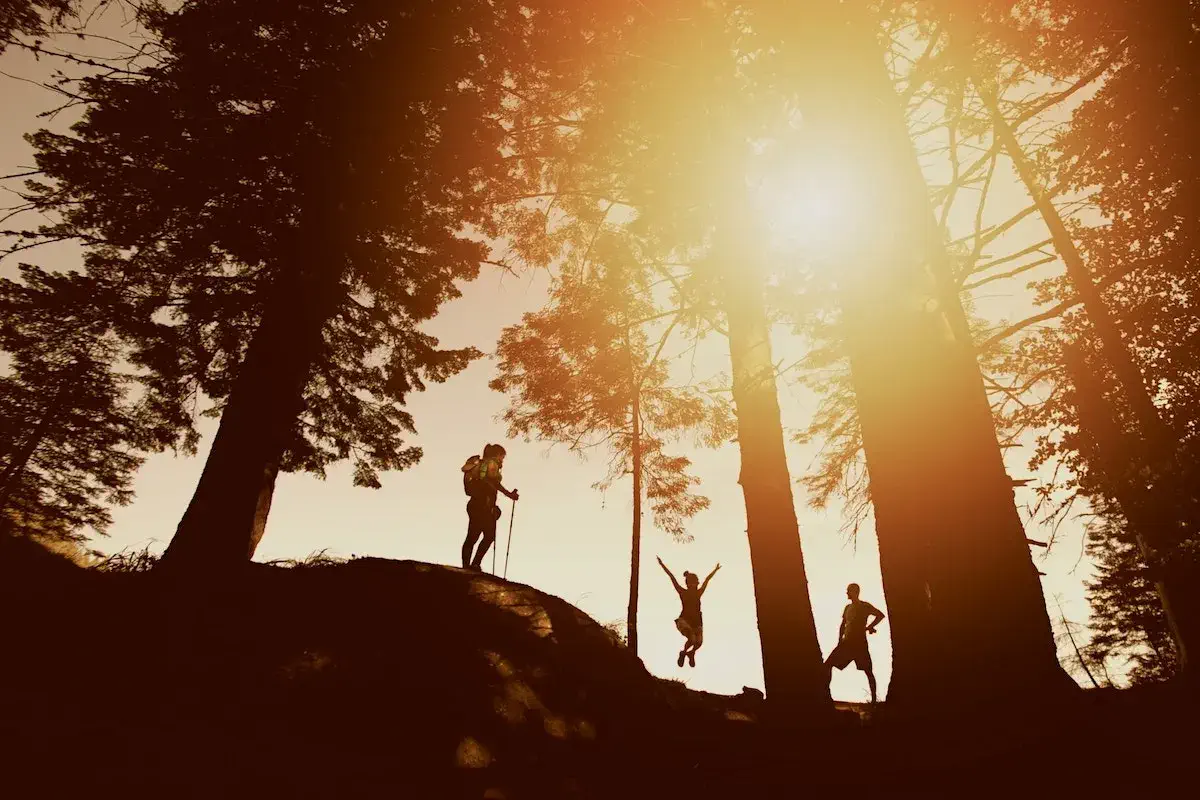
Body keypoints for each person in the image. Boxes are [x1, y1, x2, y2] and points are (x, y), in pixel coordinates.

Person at [461, 443, 519, 571]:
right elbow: (494, 483)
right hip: (483, 505)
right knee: (487, 536)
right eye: (502, 456)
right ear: (497, 455)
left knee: (473, 536)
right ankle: (474, 565)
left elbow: (491, 484)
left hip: (476, 504)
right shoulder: (492, 463)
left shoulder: (483, 465)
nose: (502, 460)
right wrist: (509, 494)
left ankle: (467, 566)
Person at [824, 582, 885, 703]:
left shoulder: (865, 606)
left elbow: (880, 615)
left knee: (868, 671)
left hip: (860, 644)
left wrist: (869, 627)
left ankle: (873, 700)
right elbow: (843, 625)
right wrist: (839, 641)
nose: (846, 593)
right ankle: (826, 694)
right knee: (828, 665)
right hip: (846, 643)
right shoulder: (847, 608)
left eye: (848, 591)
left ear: (855, 592)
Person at [657, 556, 720, 668]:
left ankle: (690, 653)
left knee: (699, 642)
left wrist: (715, 570)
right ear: (688, 584)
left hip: (697, 621)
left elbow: (707, 580)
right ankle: (684, 653)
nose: (695, 585)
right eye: (692, 583)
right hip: (685, 619)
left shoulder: (699, 592)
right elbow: (672, 577)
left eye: (696, 583)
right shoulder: (683, 592)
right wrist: (662, 565)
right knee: (692, 639)